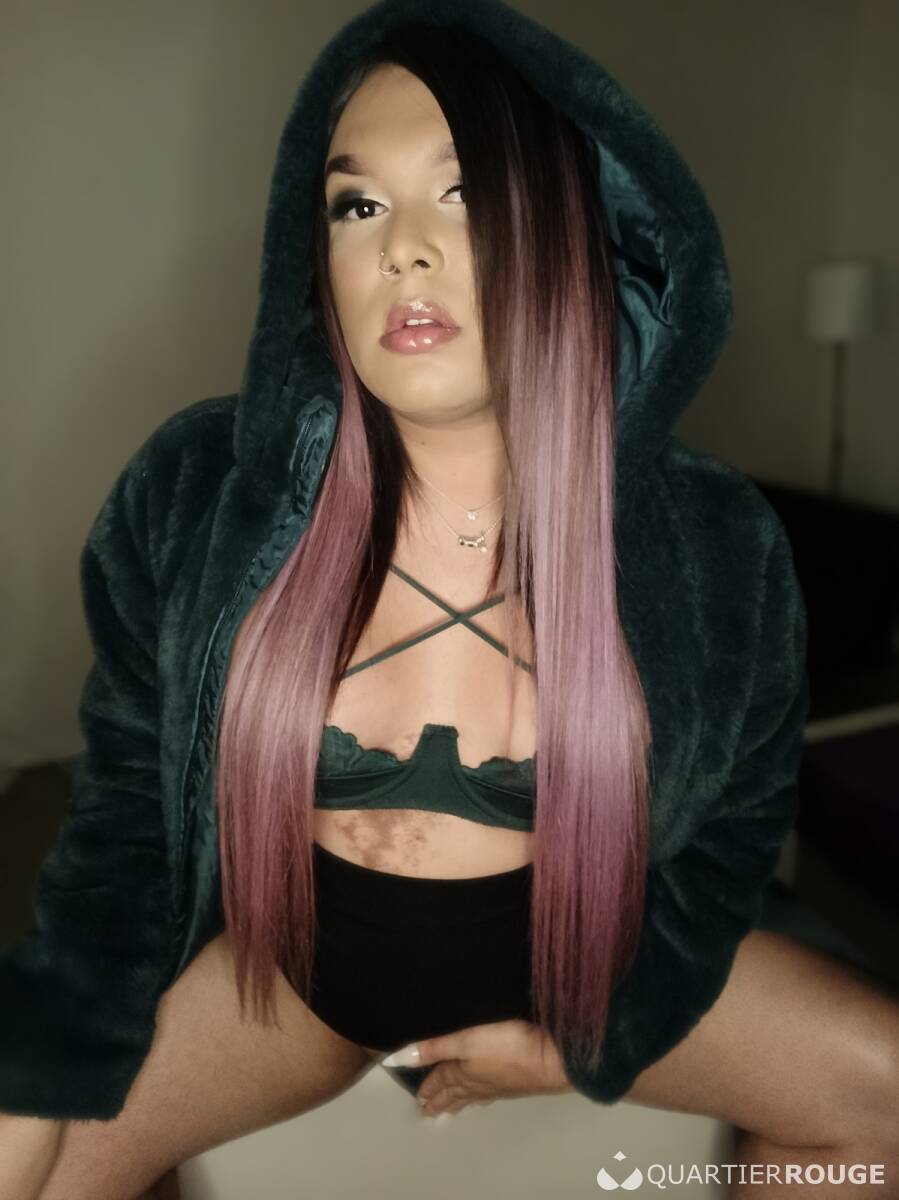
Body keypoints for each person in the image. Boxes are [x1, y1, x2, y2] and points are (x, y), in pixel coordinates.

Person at [2, 2, 898, 1198]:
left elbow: (728, 840)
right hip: (295, 987)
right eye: (356, 205)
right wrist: (43, 1055)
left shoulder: (712, 543)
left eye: (462, 193)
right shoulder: (198, 490)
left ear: (571, 234)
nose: (402, 251)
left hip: (578, 981)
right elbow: (124, 817)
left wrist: (577, 1048)